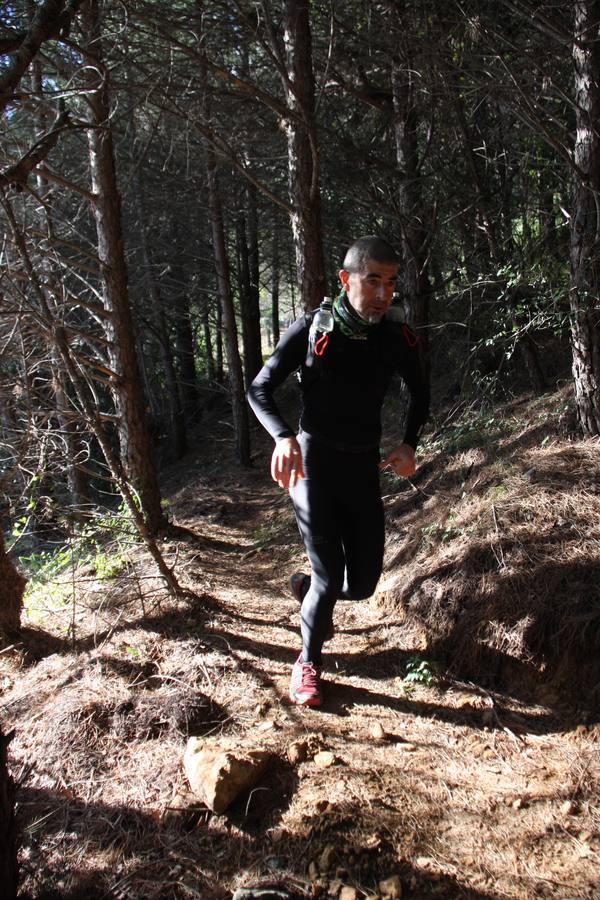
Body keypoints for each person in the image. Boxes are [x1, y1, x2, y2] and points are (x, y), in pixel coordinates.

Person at [247, 236, 429, 707]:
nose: (384, 293)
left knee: (363, 583)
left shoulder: (394, 336)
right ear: (347, 280)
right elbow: (260, 388)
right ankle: (308, 662)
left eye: (391, 283)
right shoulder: (312, 330)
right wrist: (284, 438)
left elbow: (421, 391)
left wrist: (409, 442)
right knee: (330, 575)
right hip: (314, 463)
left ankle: (306, 591)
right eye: (373, 281)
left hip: (362, 467)